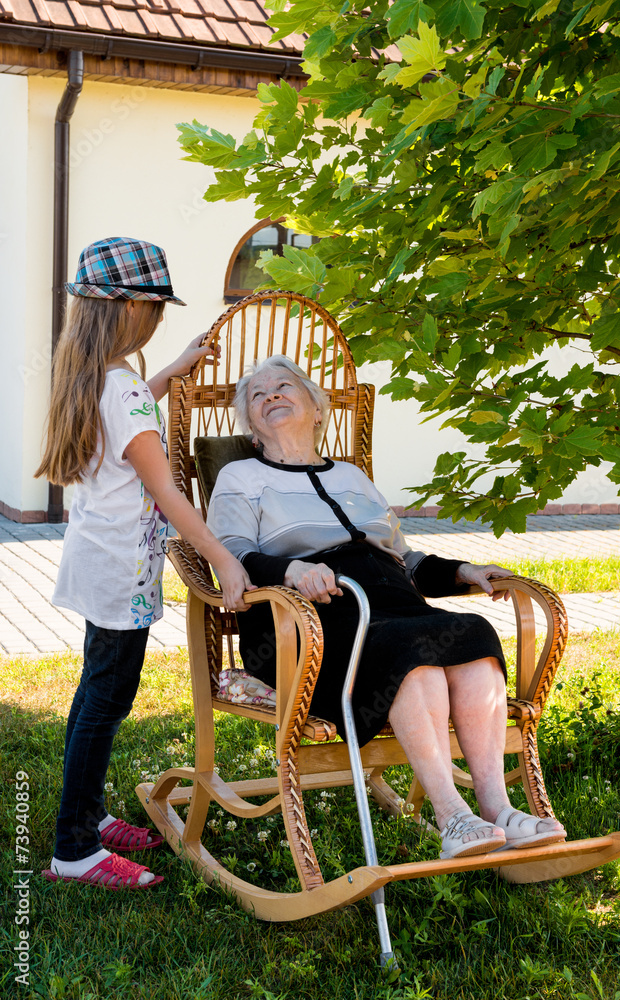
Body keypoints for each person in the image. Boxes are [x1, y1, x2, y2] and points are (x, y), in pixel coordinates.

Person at [207, 355, 566, 860]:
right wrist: (291, 571)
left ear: (316, 406)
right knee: (410, 653)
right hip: (308, 625)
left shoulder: (352, 476)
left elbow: (404, 557)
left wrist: (464, 572)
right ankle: (452, 818)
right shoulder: (240, 477)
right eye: (258, 395)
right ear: (251, 426)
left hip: (395, 604)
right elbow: (232, 555)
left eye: (284, 386)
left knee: (474, 634)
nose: (271, 396)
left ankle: (496, 809)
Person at [35, 237, 253, 890]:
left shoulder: (97, 378)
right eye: (155, 308)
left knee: (94, 696)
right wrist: (223, 561)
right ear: (129, 311)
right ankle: (74, 850)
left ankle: (91, 816)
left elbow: (131, 415)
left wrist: (173, 371)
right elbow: (166, 491)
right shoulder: (122, 387)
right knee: (105, 703)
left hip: (97, 563)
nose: (158, 319)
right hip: (121, 574)